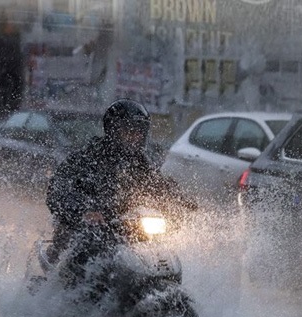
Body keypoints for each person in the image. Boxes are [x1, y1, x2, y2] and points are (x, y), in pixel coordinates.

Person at [46, 98, 197, 265]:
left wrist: (183, 205)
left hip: (124, 230)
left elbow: (159, 186)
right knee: (83, 253)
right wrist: (84, 210)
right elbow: (58, 189)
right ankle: (71, 289)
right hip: (84, 229)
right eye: (128, 131)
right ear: (113, 130)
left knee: (155, 250)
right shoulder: (86, 157)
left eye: (139, 131)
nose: (134, 136)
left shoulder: (140, 163)